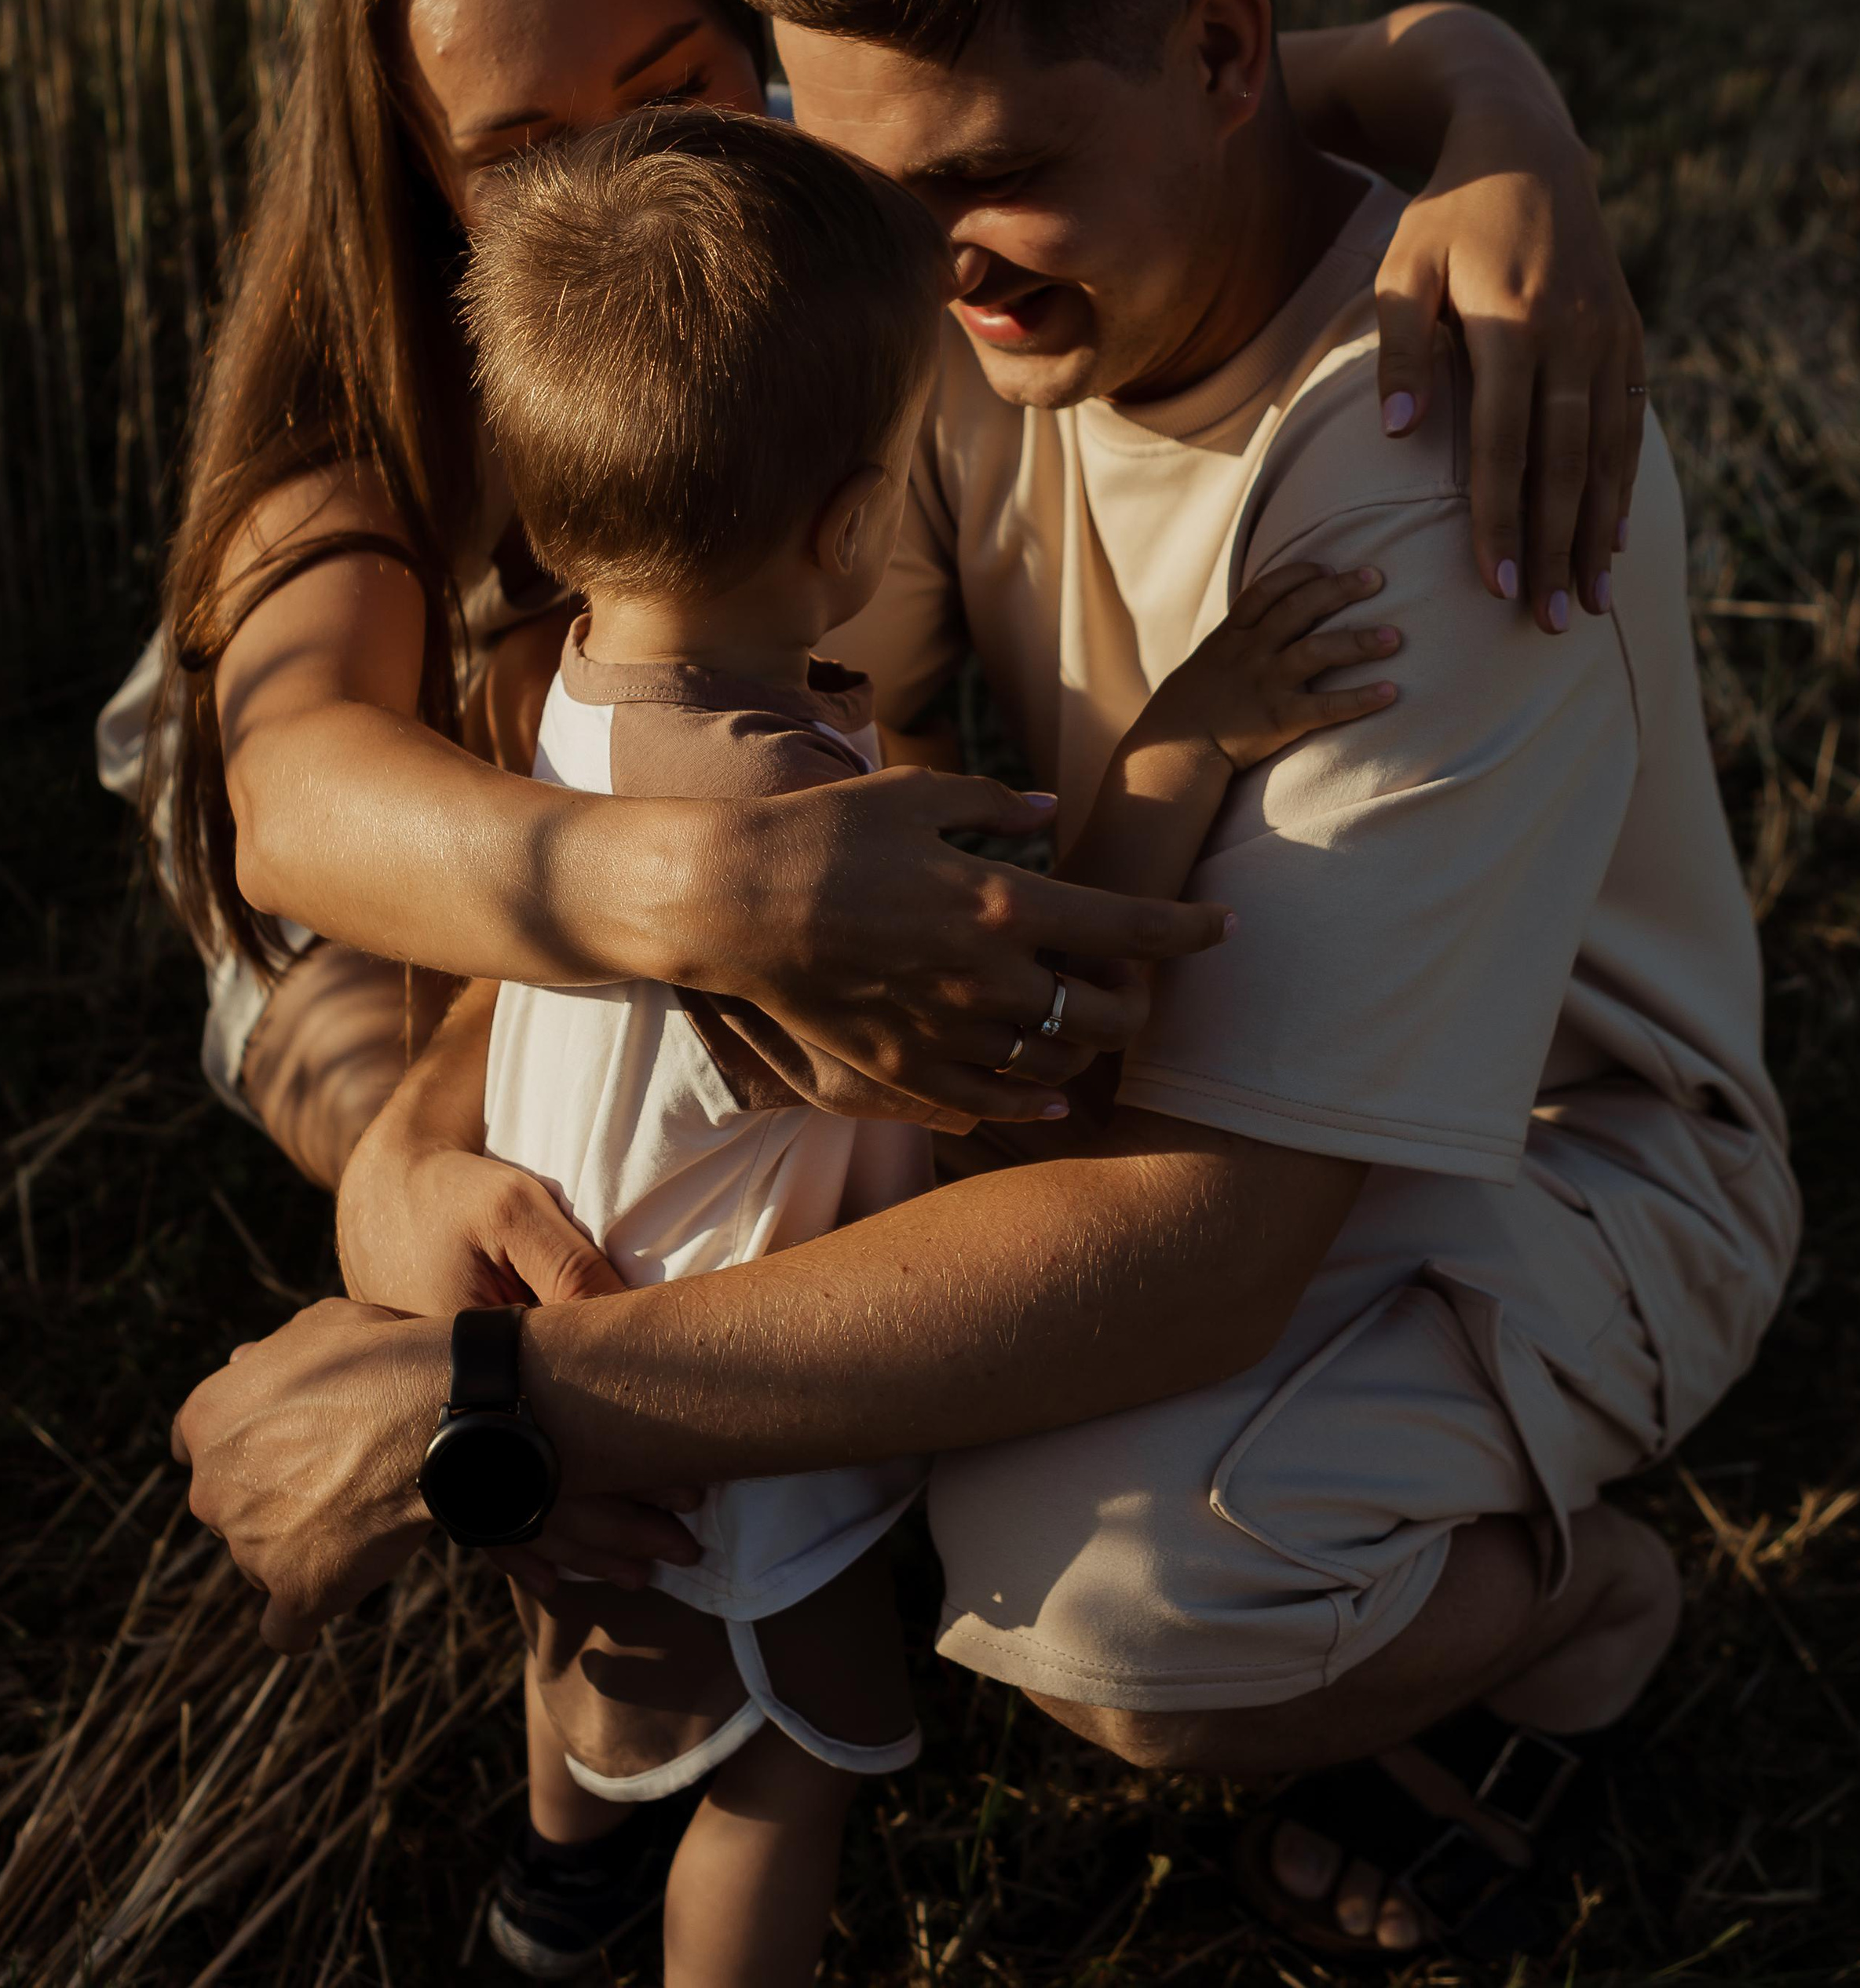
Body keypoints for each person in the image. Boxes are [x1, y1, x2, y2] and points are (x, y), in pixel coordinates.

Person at [174, 0, 1758, 1962]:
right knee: (875, 1414)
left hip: (1539, 1138)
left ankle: (1581, 1618)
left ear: (1224, 56)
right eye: (857, 179)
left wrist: (500, 1402)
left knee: (1118, 1596)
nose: (911, 257)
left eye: (972, 177)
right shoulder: (940, 298)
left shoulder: (1429, 464)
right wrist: (430, 1148)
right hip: (1168, 1046)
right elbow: (646, 775)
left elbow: (1203, 1237)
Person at [106, 0, 1643, 1201]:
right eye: (521, 155)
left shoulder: (796, 207)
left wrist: (1503, 125)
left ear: (756, 44)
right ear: (418, 174)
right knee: (481, 1196)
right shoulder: (357, 419)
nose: (637, 179)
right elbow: (296, 809)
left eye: (675, 84)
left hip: (693, 826)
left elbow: (1218, 73)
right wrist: (722, 895)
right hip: (377, 930)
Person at [450, 100, 1409, 1985]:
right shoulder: (781, 844)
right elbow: (1039, 1029)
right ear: (850, 527)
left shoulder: (581, 694)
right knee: (777, 1778)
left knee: (594, 1675)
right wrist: (1179, 740)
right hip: (728, 1427)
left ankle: (552, 1895)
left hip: (587, 1332)